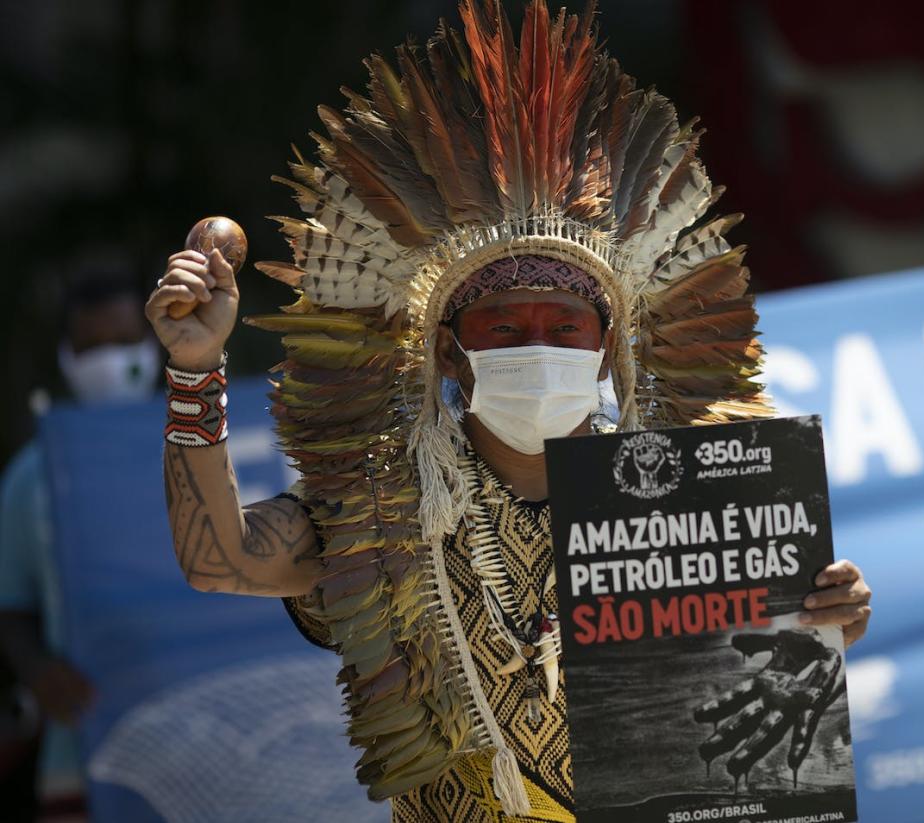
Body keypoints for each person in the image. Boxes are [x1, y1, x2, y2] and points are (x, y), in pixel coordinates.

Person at [144, 2, 872, 821]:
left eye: (565, 327)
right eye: (504, 326)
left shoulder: (689, 507)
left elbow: (765, 689)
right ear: (450, 351)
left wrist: (826, 617)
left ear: (606, 347)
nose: (538, 344)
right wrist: (197, 369)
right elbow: (219, 558)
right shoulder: (380, 511)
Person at [0, 267, 160, 817]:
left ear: (155, 339)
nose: (109, 363)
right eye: (90, 348)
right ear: (66, 357)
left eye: (122, 342)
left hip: (214, 747)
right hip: (84, 761)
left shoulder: (217, 447)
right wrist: (38, 669)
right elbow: (10, 604)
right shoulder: (32, 476)